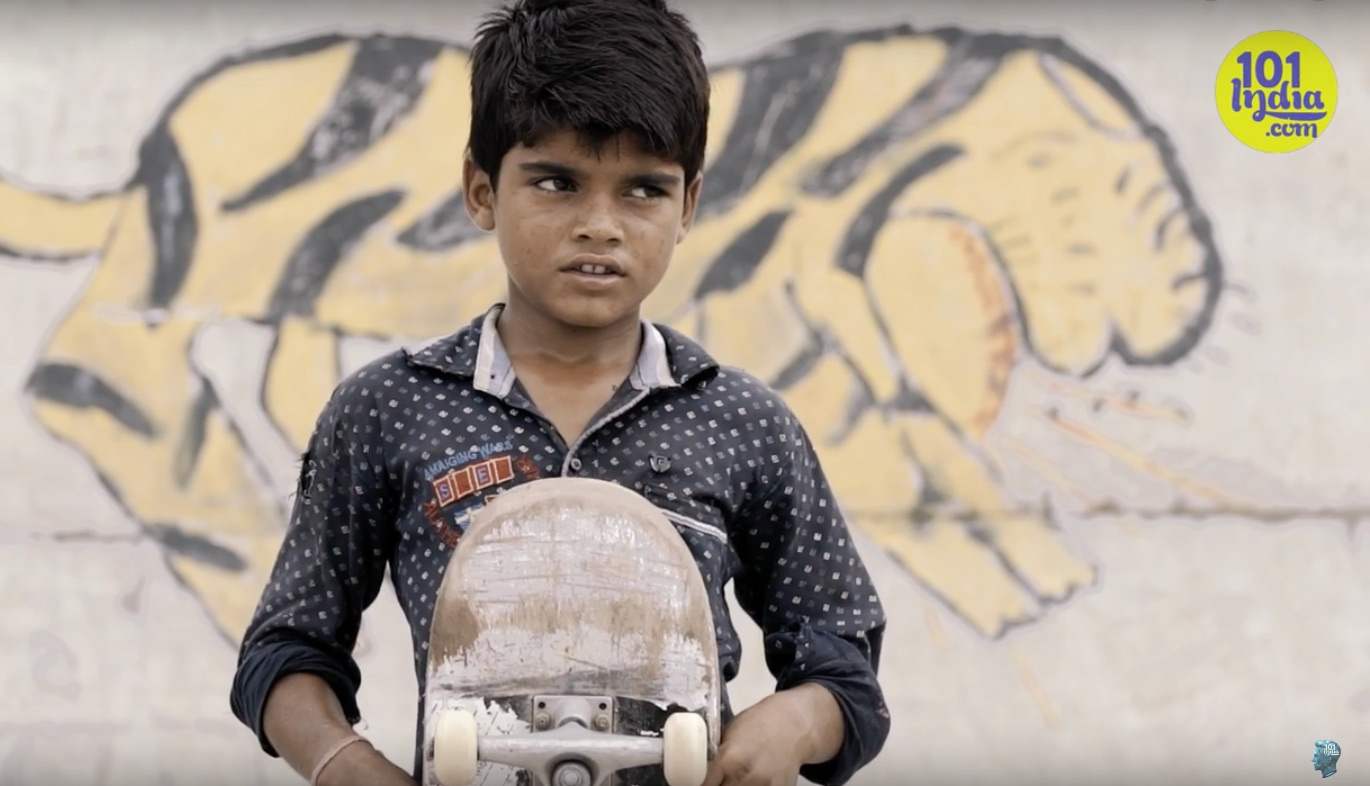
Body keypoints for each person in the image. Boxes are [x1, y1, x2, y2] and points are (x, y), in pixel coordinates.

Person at [229, 1, 891, 784]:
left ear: (688, 206)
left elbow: (846, 662)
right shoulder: (389, 410)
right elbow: (284, 649)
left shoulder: (741, 421)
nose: (600, 225)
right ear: (481, 190)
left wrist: (796, 719)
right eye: (557, 182)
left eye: (643, 190)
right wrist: (343, 762)